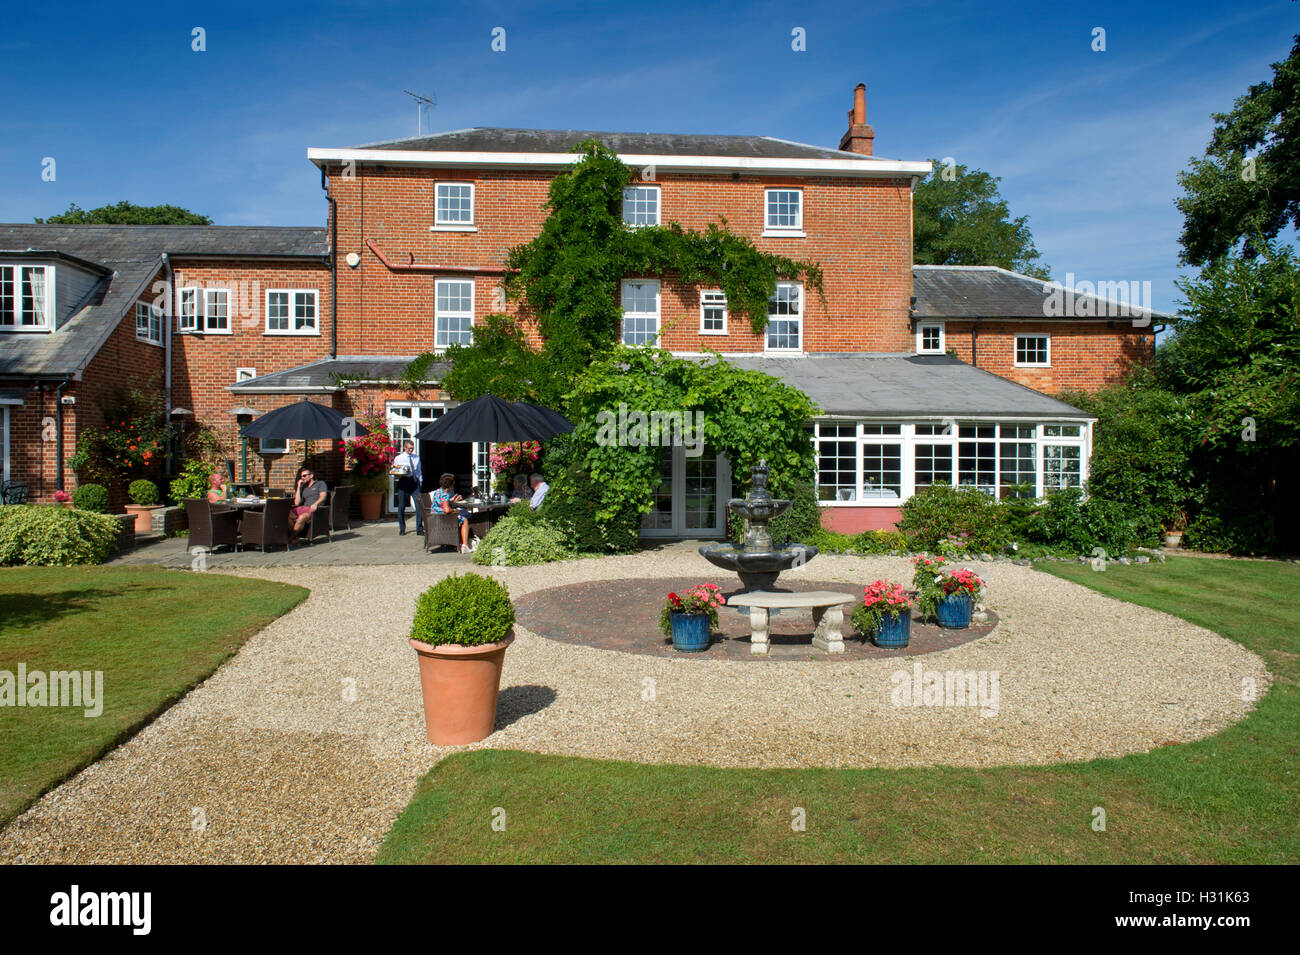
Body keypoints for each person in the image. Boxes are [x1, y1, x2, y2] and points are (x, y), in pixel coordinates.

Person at [429, 472, 471, 553]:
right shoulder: (445, 495)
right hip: (444, 519)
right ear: (450, 486)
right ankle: (465, 545)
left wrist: (452, 500)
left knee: (463, 513)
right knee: (464, 519)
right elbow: (447, 510)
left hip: (435, 518)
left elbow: (442, 502)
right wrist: (455, 510)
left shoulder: (438, 492)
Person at [392, 440, 423, 536]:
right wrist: (397, 474)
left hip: (414, 483)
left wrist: (420, 482)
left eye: (412, 449)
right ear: (404, 448)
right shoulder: (399, 458)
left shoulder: (416, 457)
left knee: (419, 506)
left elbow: (418, 471)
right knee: (401, 506)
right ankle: (402, 528)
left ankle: (419, 528)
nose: (411, 450)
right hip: (404, 482)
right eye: (409, 449)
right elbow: (395, 470)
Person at [290, 466, 328, 542]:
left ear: (311, 475)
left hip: (315, 509)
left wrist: (316, 504)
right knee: (285, 514)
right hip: (304, 508)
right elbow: (297, 502)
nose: (302, 478)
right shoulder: (304, 487)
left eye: (304, 476)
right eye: (301, 476)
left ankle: (290, 539)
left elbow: (323, 496)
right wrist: (298, 487)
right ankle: (296, 535)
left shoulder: (320, 483)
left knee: (301, 517)